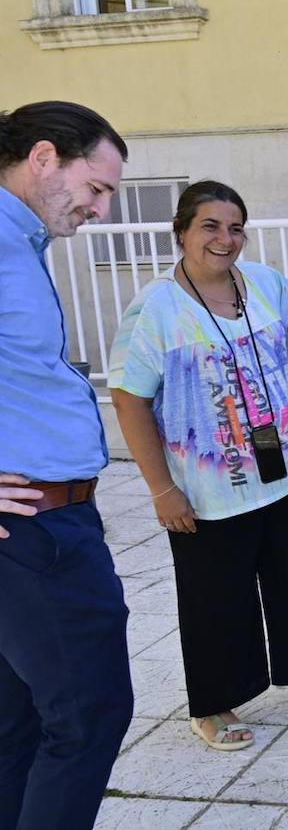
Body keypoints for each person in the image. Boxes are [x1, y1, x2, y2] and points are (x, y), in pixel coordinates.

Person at [108, 180, 288, 752]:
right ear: (181, 233)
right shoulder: (155, 309)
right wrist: (160, 489)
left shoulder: (265, 283)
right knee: (214, 597)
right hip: (207, 487)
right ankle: (214, 704)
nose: (226, 239)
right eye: (211, 226)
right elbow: (129, 399)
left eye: (236, 227)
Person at [0, 101, 134, 829]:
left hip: (41, 526)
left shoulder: (19, 241)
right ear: (45, 156)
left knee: (18, 729)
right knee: (89, 715)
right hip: (34, 534)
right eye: (97, 186)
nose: (102, 209)